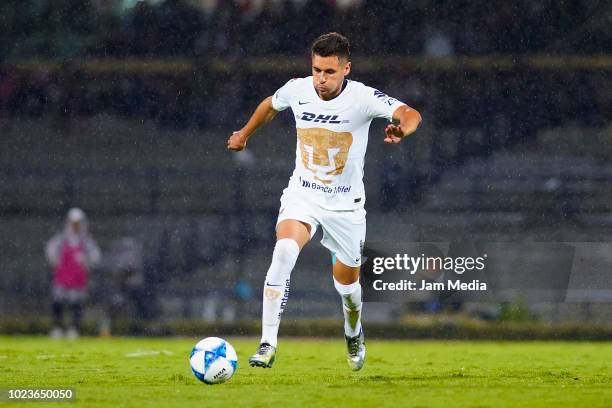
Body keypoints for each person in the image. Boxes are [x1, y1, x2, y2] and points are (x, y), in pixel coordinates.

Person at [227, 32, 422, 371]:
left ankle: (353, 330)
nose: (321, 79)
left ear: (346, 68)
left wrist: (402, 129)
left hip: (346, 206)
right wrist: (244, 134)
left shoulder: (362, 97)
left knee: (347, 288)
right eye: (317, 70)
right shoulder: (299, 89)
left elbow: (410, 113)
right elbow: (271, 105)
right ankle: (267, 343)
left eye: (330, 72)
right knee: (284, 251)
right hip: (303, 193)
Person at [45, 208, 101, 339]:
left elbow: (96, 256)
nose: (76, 226)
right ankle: (57, 327)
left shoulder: (86, 240)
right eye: (73, 223)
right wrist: (56, 261)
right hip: (62, 276)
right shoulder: (62, 238)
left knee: (76, 303)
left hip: (78, 278)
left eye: (78, 223)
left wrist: (86, 262)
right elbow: (50, 249)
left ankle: (74, 328)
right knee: (58, 302)